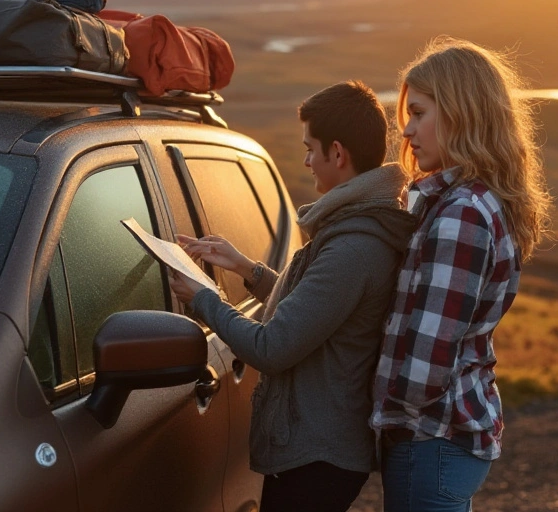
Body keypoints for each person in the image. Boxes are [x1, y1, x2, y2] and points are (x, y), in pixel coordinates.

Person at [167, 81, 418, 512]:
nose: (305, 161)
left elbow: (273, 346)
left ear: (337, 154)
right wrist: (246, 268)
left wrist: (203, 298)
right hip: (316, 450)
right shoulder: (352, 227)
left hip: (318, 456)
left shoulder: (353, 246)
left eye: (310, 149)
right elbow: (318, 309)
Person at [371, 38, 552, 512]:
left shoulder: (461, 215)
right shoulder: (474, 202)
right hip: (447, 435)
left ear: (461, 111)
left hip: (428, 438)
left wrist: (385, 410)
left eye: (419, 113)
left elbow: (426, 364)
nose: (406, 132)